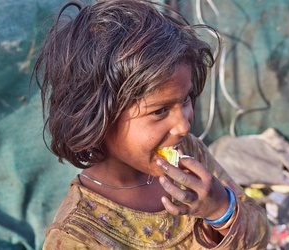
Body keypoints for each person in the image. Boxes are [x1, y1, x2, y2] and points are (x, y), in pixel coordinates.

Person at [33, 0, 270, 249]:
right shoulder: (76, 237)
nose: (183, 127)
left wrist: (221, 209)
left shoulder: (189, 154)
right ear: (95, 117)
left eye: (186, 99)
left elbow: (260, 236)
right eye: (160, 111)